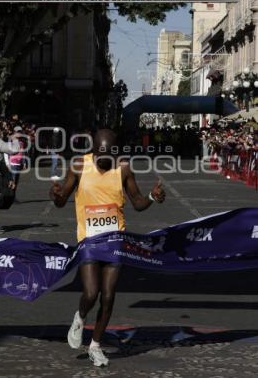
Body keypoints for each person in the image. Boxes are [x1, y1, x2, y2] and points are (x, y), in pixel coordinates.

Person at [50, 129, 165, 367]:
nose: (104, 158)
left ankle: (95, 345)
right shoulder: (80, 166)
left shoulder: (122, 168)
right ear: (92, 149)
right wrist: (56, 195)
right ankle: (80, 317)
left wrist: (153, 197)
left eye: (109, 153)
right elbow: (62, 202)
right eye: (100, 153)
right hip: (89, 240)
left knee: (109, 296)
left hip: (115, 240)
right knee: (91, 293)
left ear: (115, 150)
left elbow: (138, 203)